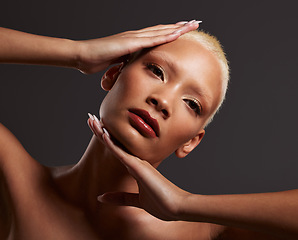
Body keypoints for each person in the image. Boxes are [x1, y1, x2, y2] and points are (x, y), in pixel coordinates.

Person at [0, 21, 282, 240]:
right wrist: (78, 53)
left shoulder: (205, 233)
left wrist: (184, 205)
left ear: (191, 142)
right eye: (157, 71)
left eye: (192, 104)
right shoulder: (14, 180)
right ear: (113, 74)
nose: (163, 101)